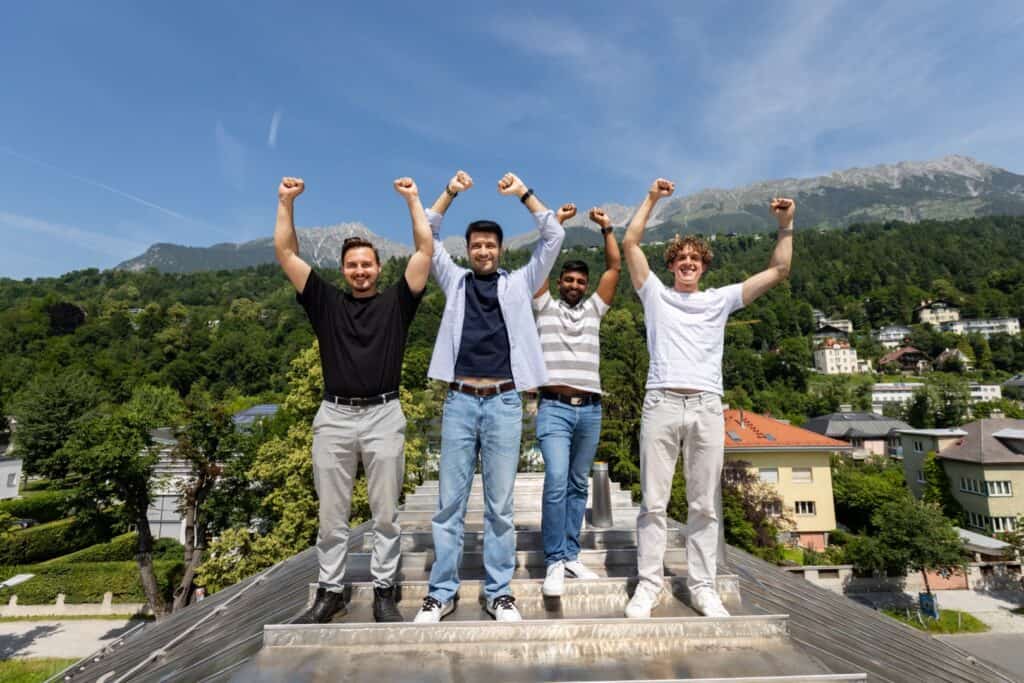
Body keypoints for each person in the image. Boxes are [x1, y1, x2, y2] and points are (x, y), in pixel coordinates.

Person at [620, 178, 795, 618]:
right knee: (653, 503)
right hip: (660, 403)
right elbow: (630, 242)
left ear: (704, 267)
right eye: (680, 258)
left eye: (694, 259)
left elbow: (778, 272)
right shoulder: (655, 296)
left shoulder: (719, 300)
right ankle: (648, 585)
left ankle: (702, 587)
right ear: (671, 265)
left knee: (703, 505)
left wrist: (786, 226)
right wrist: (653, 199)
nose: (687, 263)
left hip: (705, 407)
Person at [274, 175, 432, 623]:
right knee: (332, 516)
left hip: (384, 414)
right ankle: (330, 591)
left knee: (385, 513)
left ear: (378, 267)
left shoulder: (399, 303)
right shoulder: (324, 302)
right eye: (352, 265)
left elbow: (424, 252)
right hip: (334, 415)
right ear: (343, 270)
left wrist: (413, 201)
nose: (360, 271)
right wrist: (286, 202)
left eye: (367, 264)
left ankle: (384, 591)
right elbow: (286, 253)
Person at [413, 170, 566, 623]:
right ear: (468, 250)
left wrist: (524, 193)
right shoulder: (454, 280)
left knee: (500, 506)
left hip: (503, 402)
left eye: (490, 245)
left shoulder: (519, 282)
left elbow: (553, 234)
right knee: (449, 505)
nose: (483, 251)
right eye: (476, 245)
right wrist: (450, 193)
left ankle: (498, 592)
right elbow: (426, 231)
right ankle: (441, 592)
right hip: (459, 401)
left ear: (500, 250)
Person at [532, 205, 621, 596]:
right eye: (567, 279)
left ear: (585, 285)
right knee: (555, 481)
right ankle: (553, 560)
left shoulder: (594, 311)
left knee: (577, 485)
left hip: (590, 410)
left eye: (578, 280)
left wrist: (607, 230)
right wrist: (557, 226)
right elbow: (538, 266)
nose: (572, 284)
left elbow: (615, 270)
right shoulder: (544, 306)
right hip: (552, 407)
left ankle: (570, 555)